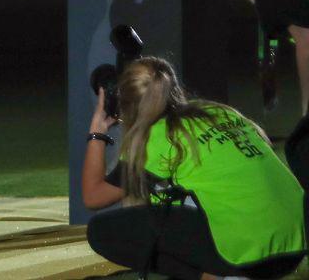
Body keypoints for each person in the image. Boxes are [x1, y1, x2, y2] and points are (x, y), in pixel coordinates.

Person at [83, 57, 305, 279]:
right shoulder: (219, 112)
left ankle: (216, 276)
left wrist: (97, 132)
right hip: (296, 246)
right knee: (182, 194)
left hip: (249, 257)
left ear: (127, 105)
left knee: (102, 232)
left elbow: (93, 197)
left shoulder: (158, 138)